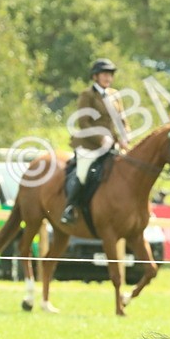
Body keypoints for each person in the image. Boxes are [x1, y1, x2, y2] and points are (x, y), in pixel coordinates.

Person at [63, 58, 131, 225]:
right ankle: (70, 207)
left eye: (110, 74)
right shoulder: (87, 95)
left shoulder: (115, 95)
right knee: (83, 172)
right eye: (104, 74)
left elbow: (123, 120)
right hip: (90, 144)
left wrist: (125, 135)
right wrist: (100, 138)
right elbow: (83, 122)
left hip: (111, 145)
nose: (108, 78)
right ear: (95, 76)